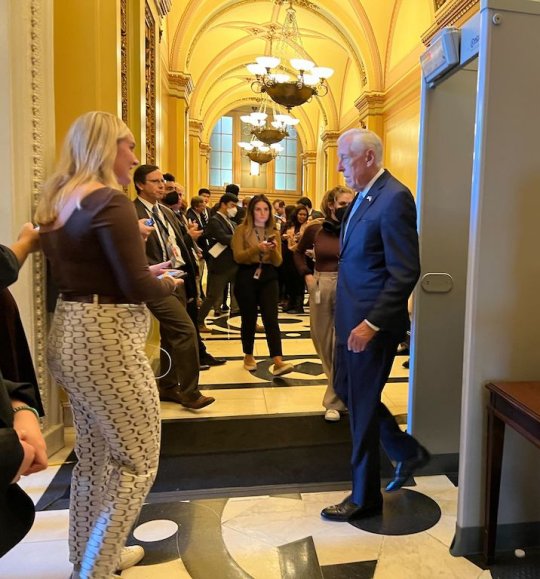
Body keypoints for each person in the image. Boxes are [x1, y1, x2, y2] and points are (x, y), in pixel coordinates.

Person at [35, 111, 183, 578]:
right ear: (105, 147)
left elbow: (97, 272)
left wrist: (144, 276)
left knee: (94, 458)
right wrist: (168, 285)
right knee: (138, 461)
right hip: (107, 339)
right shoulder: (112, 202)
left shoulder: (58, 199)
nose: (135, 158)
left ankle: (88, 554)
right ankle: (95, 570)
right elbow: (137, 288)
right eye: (129, 147)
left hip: (71, 330)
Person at [321, 128, 429, 522]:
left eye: (344, 158)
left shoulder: (395, 198)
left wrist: (371, 322)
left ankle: (364, 497)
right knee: (347, 390)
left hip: (371, 325)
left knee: (362, 409)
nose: (339, 167)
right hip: (349, 318)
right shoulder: (364, 198)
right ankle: (404, 450)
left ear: (368, 157)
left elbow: (405, 272)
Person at [133, 164, 220, 403]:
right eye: (155, 181)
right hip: (155, 281)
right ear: (140, 184)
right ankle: (190, 391)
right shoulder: (133, 212)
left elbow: (180, 244)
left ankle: (168, 385)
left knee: (171, 335)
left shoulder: (167, 212)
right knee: (185, 330)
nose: (161, 185)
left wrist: (189, 279)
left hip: (178, 278)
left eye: (162, 181)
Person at [294, 186, 354, 422]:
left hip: (348, 286)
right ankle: (340, 390)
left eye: (350, 204)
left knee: (340, 343)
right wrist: (307, 275)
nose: (346, 208)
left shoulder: (354, 228)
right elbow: (298, 253)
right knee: (321, 339)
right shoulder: (315, 230)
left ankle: (333, 400)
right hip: (321, 284)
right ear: (331, 204)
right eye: (342, 204)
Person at [231, 195, 293, 376]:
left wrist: (272, 250)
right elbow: (238, 257)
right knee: (249, 318)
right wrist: (257, 248)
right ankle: (248, 355)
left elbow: (279, 262)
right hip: (246, 275)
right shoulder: (241, 230)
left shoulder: (273, 230)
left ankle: (278, 360)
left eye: (266, 209)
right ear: (251, 211)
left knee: (271, 318)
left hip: (269, 275)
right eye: (258, 209)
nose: (262, 213)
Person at [198, 192, 240, 330]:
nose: (234, 209)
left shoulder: (228, 221)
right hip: (220, 265)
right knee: (213, 296)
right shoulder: (215, 220)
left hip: (232, 263)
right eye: (232, 205)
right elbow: (222, 237)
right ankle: (199, 321)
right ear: (223, 204)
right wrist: (240, 239)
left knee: (242, 292)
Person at [282, 204, 309, 313]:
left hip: (302, 255)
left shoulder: (308, 226)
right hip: (289, 255)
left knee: (299, 280)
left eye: (304, 215)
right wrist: (285, 237)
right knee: (289, 279)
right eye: (300, 214)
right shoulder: (290, 225)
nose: (302, 217)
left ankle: (299, 305)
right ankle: (291, 302)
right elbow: (282, 236)